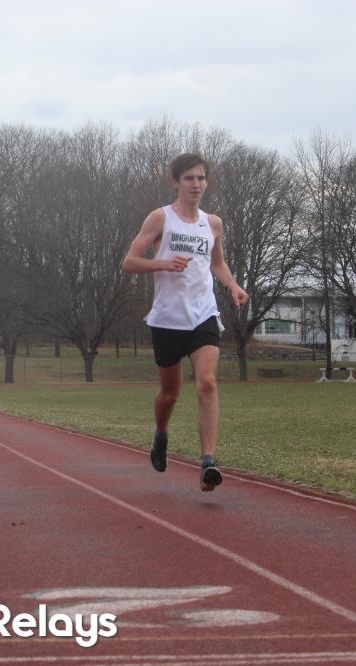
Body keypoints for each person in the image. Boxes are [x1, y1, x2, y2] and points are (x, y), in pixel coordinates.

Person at [121, 152, 248, 492]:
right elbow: (130, 262)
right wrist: (163, 264)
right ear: (175, 182)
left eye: (201, 178)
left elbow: (217, 263)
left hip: (204, 314)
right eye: (189, 178)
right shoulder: (160, 218)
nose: (196, 184)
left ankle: (208, 462)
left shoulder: (213, 223)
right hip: (167, 318)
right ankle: (161, 433)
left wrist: (233, 285)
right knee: (169, 394)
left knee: (207, 382)